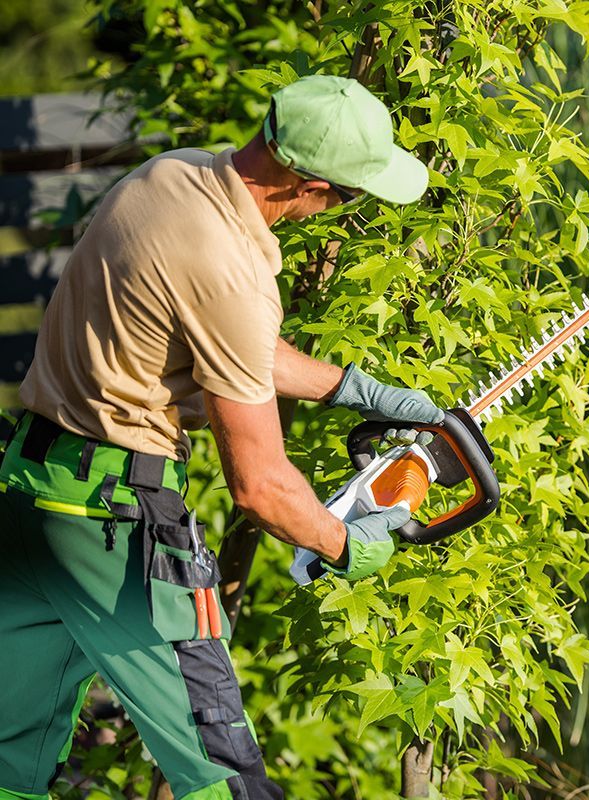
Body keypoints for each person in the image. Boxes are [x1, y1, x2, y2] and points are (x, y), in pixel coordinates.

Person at [0, 74, 444, 800]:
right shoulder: (231, 267)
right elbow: (261, 487)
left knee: (8, 761)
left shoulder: (173, 178)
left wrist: (352, 388)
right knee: (223, 780)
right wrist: (345, 545)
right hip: (114, 532)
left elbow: (222, 338)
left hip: (30, 496)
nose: (341, 210)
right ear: (305, 183)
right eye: (348, 195)